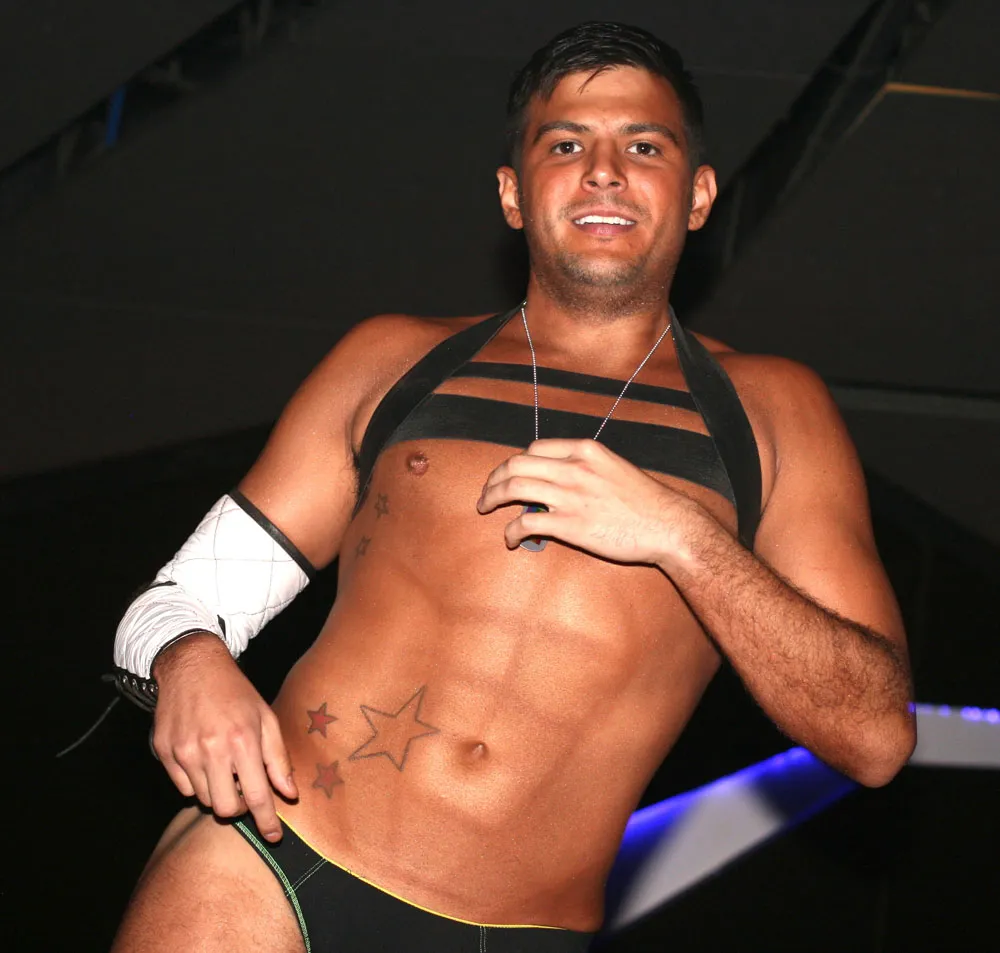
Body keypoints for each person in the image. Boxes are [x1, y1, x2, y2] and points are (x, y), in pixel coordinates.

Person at [110, 21, 916, 953]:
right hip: (274, 862)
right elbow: (174, 606)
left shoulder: (773, 410)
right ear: (512, 193)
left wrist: (683, 536)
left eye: (643, 147)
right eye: (566, 145)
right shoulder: (391, 360)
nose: (604, 172)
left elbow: (875, 736)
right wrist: (190, 662)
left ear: (698, 195)